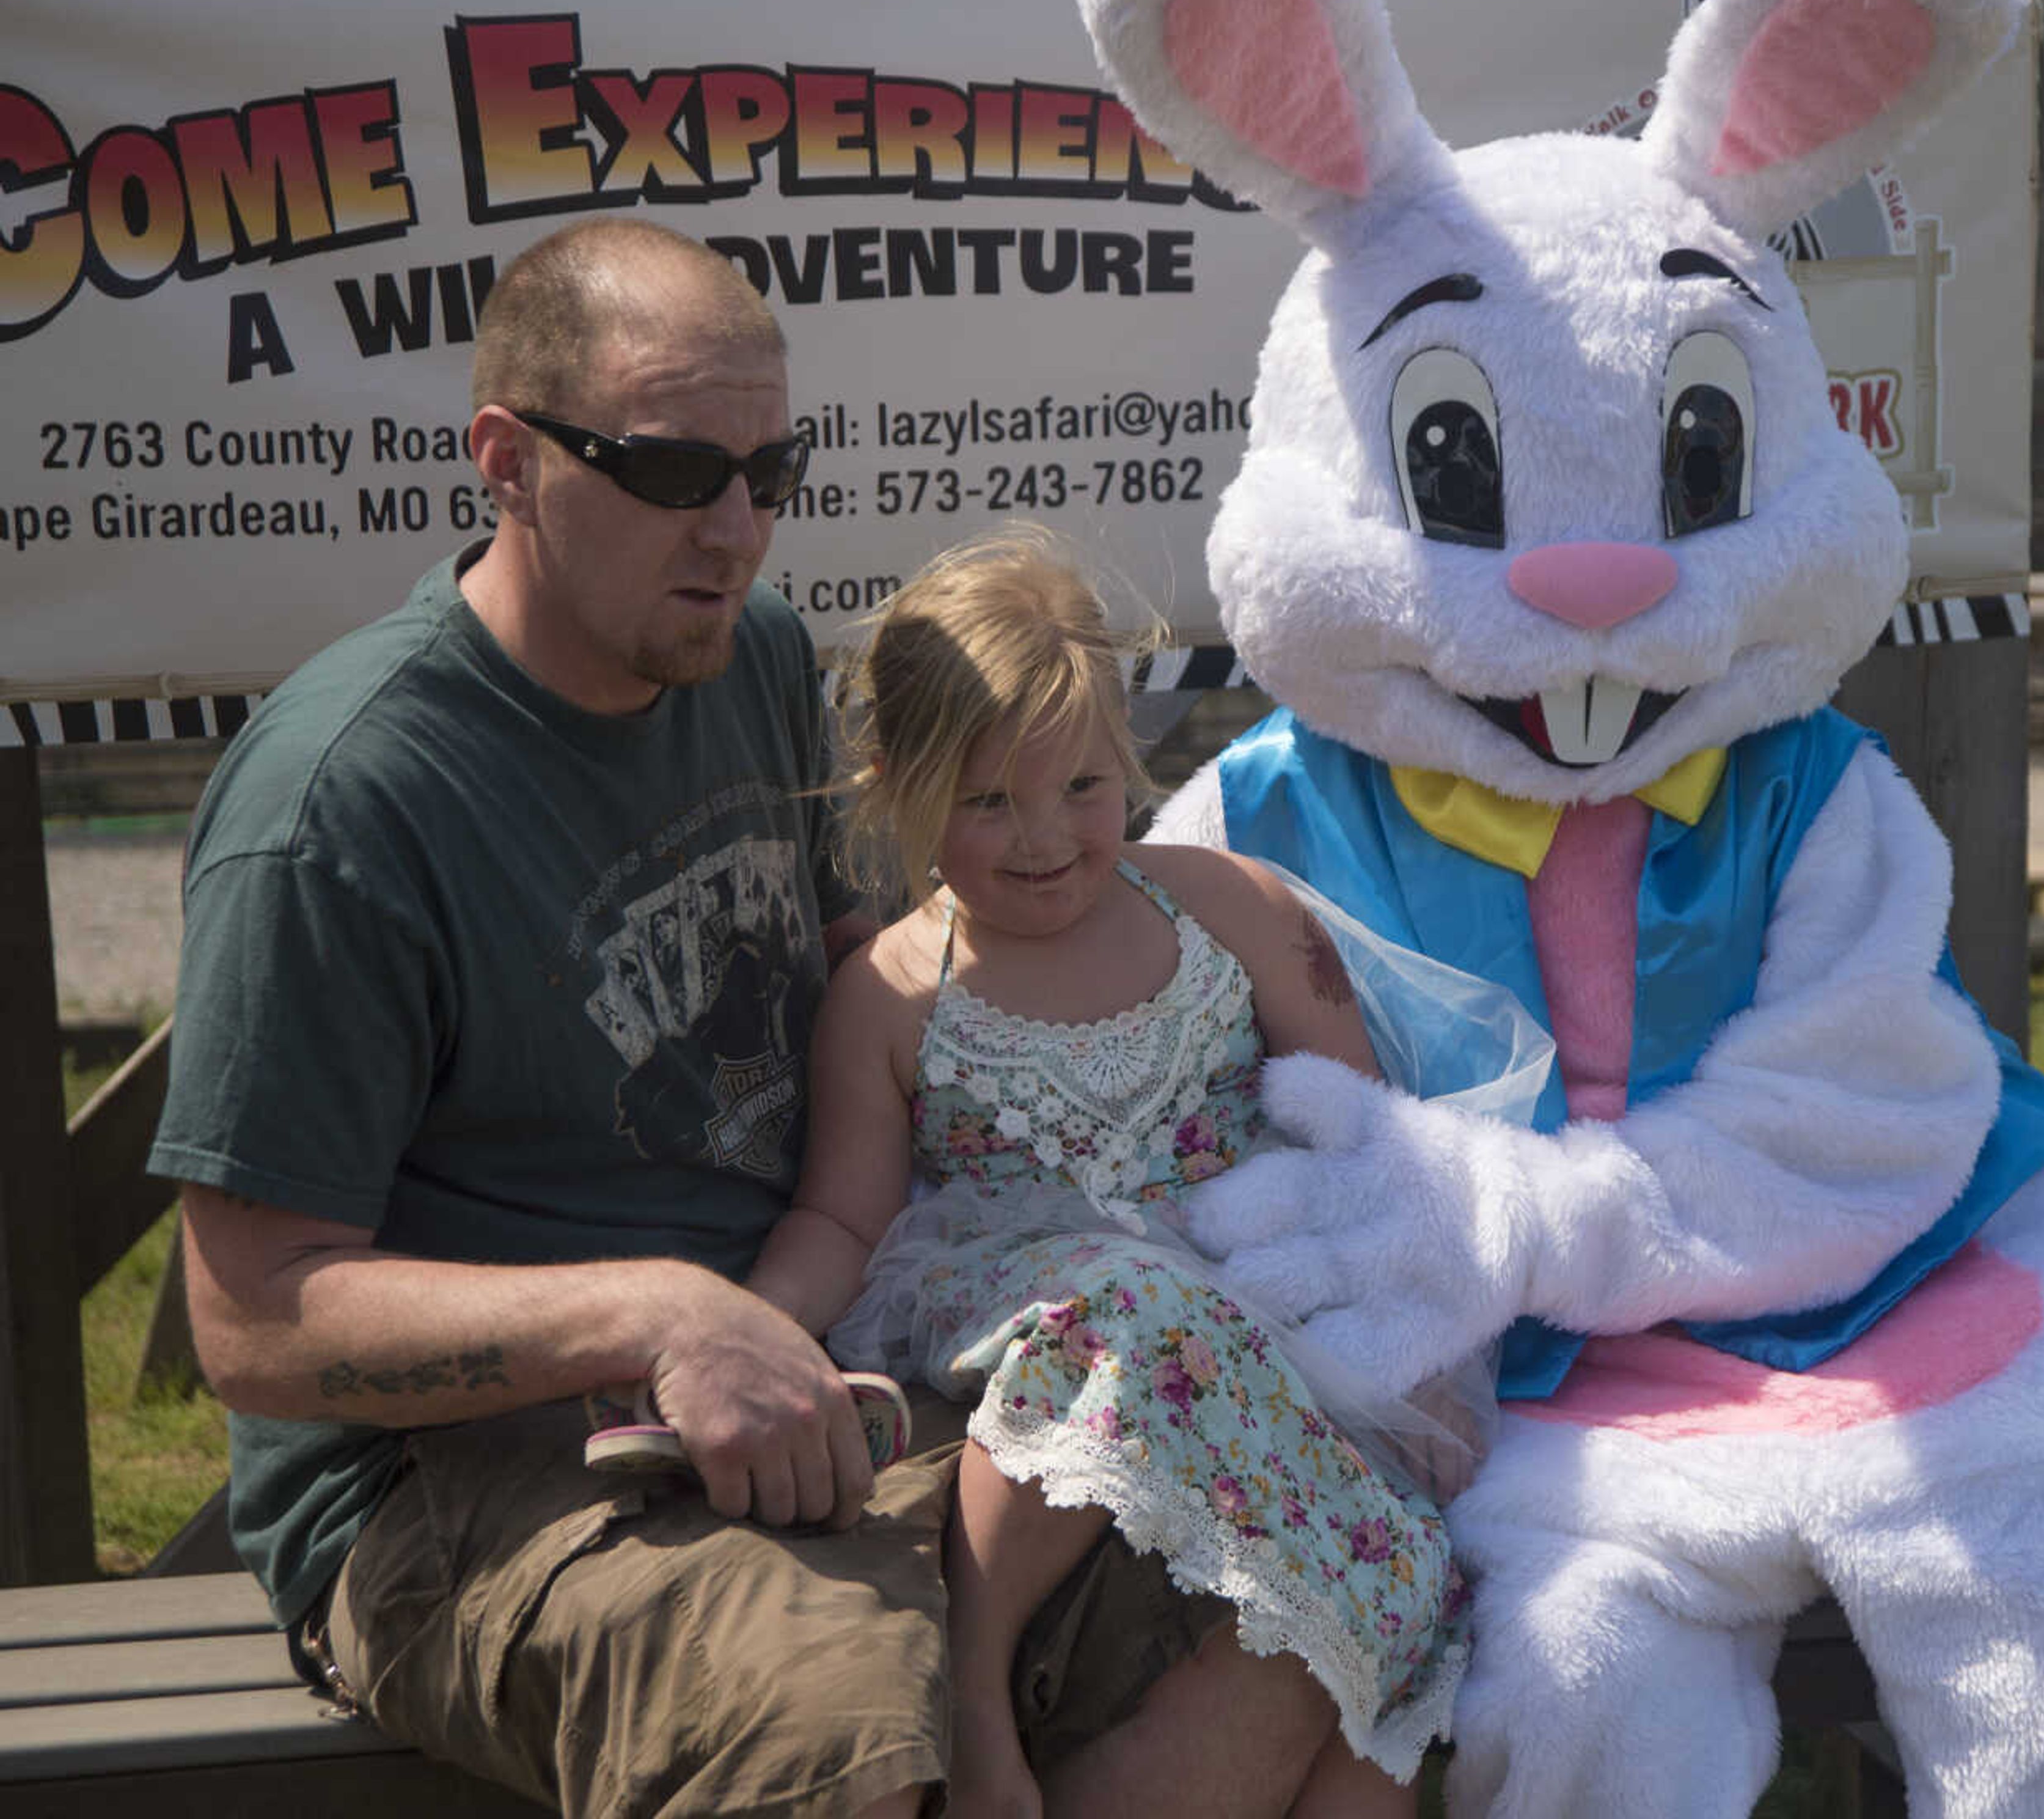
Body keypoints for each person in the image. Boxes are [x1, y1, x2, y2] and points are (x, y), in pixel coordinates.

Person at [148, 218, 1374, 1818]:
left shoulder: (750, 658)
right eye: (673, 473)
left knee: (1297, 1595)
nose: (736, 527)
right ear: (507, 463)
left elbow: (867, 963)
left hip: (832, 1364)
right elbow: (252, 1321)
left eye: (768, 471)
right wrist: (655, 1318)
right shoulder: (346, 806)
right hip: (478, 1478)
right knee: (842, 1713)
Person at [747, 528, 1473, 1819]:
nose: (1044, 839)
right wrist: (756, 1329)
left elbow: (1369, 1140)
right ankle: (975, 1692)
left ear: (1128, 758)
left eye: (1082, 787)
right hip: (1047, 1315)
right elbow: (842, 1211)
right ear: (899, 786)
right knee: (1129, 1312)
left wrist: (1418, 1350)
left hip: (1260, 1320)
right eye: (986, 802)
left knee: (1408, 1576)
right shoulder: (893, 994)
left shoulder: (1224, 906)